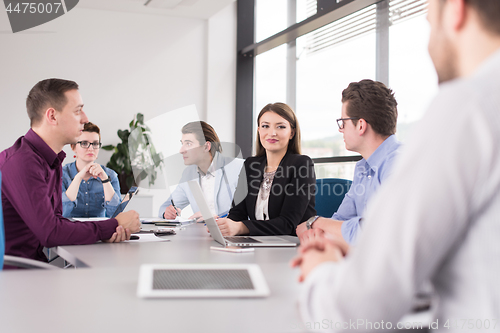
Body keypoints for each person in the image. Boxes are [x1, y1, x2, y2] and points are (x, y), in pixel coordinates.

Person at [291, 0, 500, 330]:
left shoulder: (468, 108)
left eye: (430, 22)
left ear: (456, 11)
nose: (430, 43)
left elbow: (354, 308)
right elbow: (350, 226)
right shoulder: (364, 168)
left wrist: (319, 266)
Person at [0, 78, 140, 264]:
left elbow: (57, 220)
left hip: (34, 266)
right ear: (52, 116)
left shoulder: (52, 160)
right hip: (16, 276)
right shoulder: (22, 162)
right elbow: (50, 233)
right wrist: (114, 224)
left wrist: (107, 230)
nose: (85, 118)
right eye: (77, 110)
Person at [296, 80, 400, 245]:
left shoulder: (398, 165)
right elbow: (340, 221)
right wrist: (322, 229)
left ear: (360, 126)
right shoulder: (363, 168)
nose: (340, 129)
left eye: (343, 122)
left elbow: (377, 232)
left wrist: (316, 222)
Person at [215, 103, 316, 236]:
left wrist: (241, 228)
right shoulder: (251, 165)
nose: (272, 133)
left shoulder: (302, 164)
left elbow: (288, 224)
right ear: (259, 130)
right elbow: (237, 214)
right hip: (258, 245)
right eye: (265, 126)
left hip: (293, 245)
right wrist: (222, 226)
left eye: (280, 127)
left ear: (292, 133)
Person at [158, 121, 244, 221]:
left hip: (235, 235)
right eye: (182, 144)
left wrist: (216, 218)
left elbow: (253, 214)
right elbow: (165, 206)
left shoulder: (239, 167)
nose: (181, 150)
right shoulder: (188, 174)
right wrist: (167, 213)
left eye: (188, 144)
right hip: (203, 234)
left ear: (206, 146)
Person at [62, 122, 121, 218]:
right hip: (70, 230)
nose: (91, 148)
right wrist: (78, 177)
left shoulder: (110, 175)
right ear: (73, 147)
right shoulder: (61, 174)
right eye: (84, 143)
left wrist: (105, 180)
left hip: (99, 230)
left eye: (95, 144)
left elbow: (116, 215)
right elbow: (62, 212)